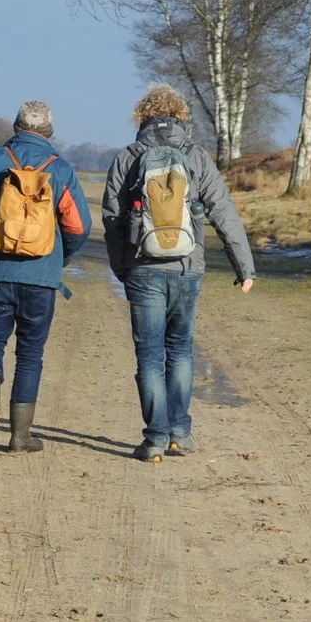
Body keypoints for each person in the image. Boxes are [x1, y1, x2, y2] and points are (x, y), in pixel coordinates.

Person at [102, 83, 256, 462]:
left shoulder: (128, 157)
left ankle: (154, 438)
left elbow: (111, 220)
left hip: (143, 270)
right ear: (181, 116)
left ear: (142, 116)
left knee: (150, 356)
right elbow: (223, 213)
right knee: (181, 350)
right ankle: (180, 435)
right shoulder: (197, 157)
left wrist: (123, 267)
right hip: (189, 269)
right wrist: (245, 267)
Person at [0, 100, 89, 453]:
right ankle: (20, 436)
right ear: (48, 131)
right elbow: (80, 226)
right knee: (30, 354)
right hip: (40, 277)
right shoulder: (62, 169)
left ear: (15, 125)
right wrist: (59, 257)